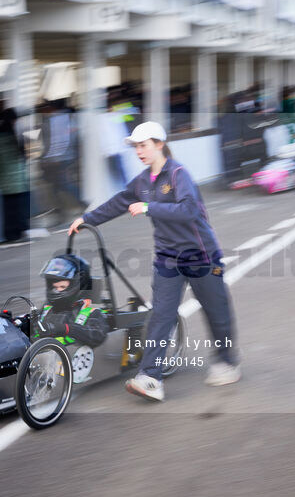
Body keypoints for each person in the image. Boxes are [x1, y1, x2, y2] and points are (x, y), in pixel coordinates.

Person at [68, 121, 241, 401]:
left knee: (216, 312)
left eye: (143, 145)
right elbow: (119, 202)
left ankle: (228, 361)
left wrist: (150, 207)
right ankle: (150, 378)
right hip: (168, 259)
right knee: (161, 316)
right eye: (136, 146)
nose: (139, 151)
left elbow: (188, 210)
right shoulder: (142, 181)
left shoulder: (178, 174)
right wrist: (86, 219)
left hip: (202, 258)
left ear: (159, 144)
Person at [32, 254, 109, 348]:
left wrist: (64, 328)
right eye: (54, 287)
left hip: (71, 358)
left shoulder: (92, 312)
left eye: (62, 287)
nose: (57, 291)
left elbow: (96, 336)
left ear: (77, 285)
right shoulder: (47, 309)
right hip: (43, 356)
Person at [0, 106, 30, 242]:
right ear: (13, 120)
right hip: (16, 180)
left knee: (7, 210)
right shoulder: (13, 135)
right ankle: (17, 232)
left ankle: (10, 234)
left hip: (1, 180)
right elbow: (22, 155)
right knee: (16, 208)